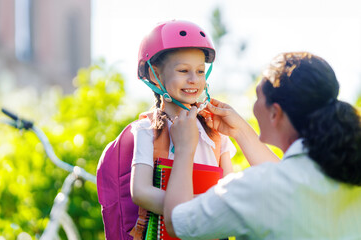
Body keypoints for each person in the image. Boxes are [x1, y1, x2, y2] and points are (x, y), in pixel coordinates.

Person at [163, 52, 361, 239]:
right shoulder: (345, 171)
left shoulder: (254, 188)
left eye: (258, 97)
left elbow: (176, 222)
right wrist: (240, 131)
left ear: (275, 113)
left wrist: (184, 149)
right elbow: (285, 177)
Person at [129, 20, 239, 236]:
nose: (193, 80)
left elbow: (229, 185)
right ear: (155, 76)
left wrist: (194, 210)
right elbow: (140, 192)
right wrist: (194, 209)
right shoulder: (147, 130)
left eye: (200, 71)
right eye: (183, 70)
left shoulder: (215, 131)